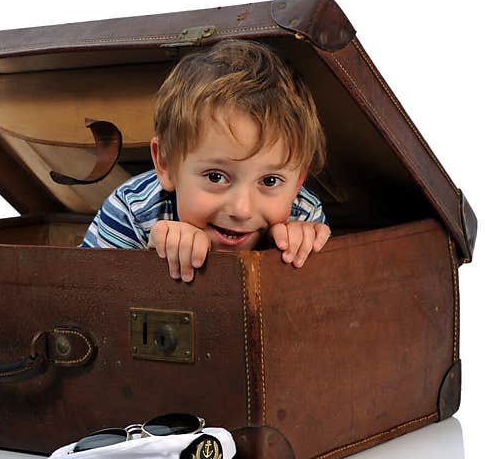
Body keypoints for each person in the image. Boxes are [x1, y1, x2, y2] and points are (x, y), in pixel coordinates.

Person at [80, 39, 330, 282]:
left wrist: (295, 256)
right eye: (215, 176)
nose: (241, 210)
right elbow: (83, 296)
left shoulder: (303, 215)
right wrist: (150, 261)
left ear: (298, 181)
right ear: (165, 163)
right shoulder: (131, 209)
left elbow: (319, 311)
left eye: (270, 180)